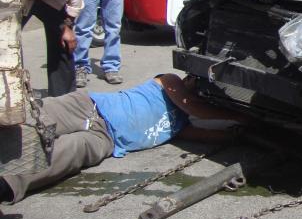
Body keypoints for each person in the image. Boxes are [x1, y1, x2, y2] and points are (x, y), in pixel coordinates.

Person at [0, 74, 248, 204]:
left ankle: (7, 182)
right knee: (34, 118)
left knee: (71, 153)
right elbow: (192, 106)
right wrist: (239, 116)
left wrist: (241, 132)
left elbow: (207, 134)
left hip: (106, 139)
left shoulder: (181, 125)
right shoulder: (170, 81)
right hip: (90, 107)